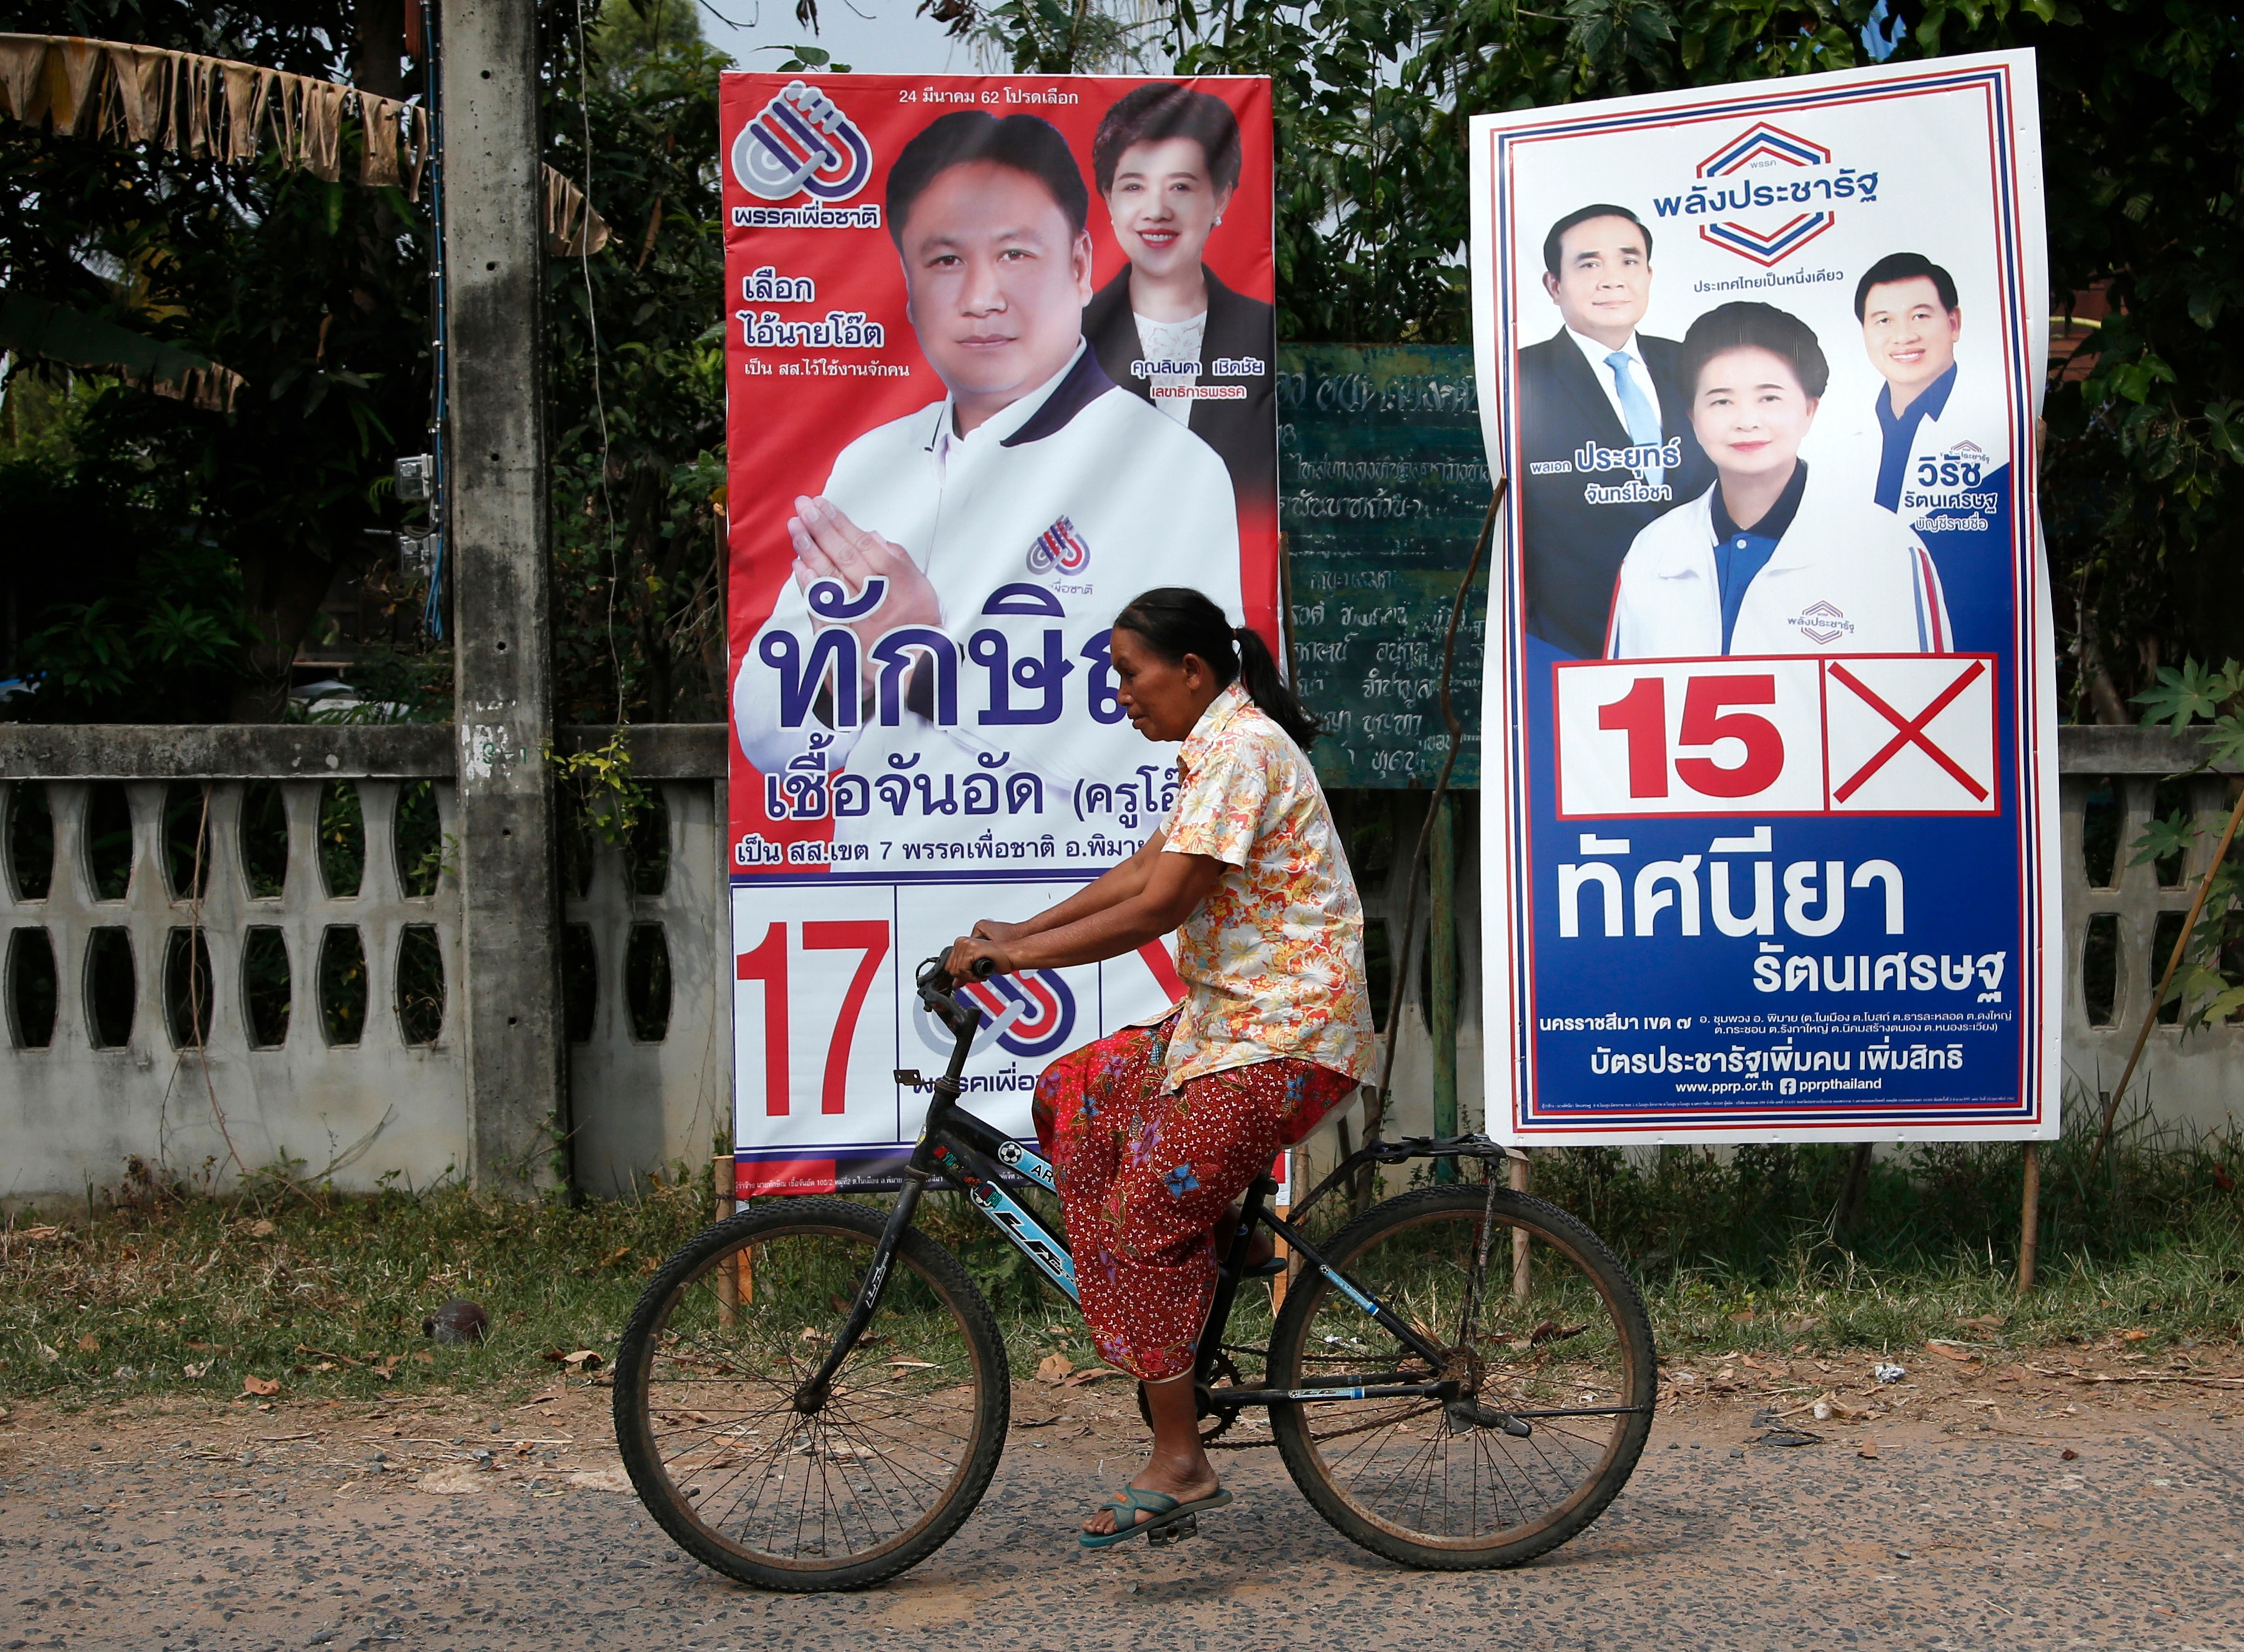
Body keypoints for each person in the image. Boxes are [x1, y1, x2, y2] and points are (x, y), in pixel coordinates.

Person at [944, 587, 1373, 1547]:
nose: (1120, 695)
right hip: (1230, 1025)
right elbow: (1140, 873)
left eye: (1129, 675)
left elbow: (1159, 906)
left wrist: (1012, 959)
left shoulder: (1243, 750)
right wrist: (1018, 928)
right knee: (1073, 1092)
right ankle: (1211, 1260)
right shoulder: (1215, 751)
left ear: (1189, 671)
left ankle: (1180, 1460)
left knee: (1140, 1218)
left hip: (1285, 1037)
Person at [732, 111, 1243, 836]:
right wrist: (842, 665)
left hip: (1082, 896)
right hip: (888, 891)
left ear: (1079, 264)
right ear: (906, 284)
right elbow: (767, 734)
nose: (981, 298)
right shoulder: (870, 463)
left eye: (1014, 255)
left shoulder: (1169, 469)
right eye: (944, 261)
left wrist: (923, 667)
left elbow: (1203, 738)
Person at [1606, 301, 1952, 658]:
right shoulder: (1652, 551)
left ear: (1809, 410)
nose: (1747, 421)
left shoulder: (1887, 548)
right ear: (1693, 418)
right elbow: (1618, 698)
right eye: (1722, 402)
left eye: (1769, 397)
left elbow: (1930, 702)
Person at [1516, 203, 1710, 658]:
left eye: (1628, 261)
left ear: (1647, 274)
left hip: (1701, 634)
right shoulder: (1517, 377)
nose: (1612, 279)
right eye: (1589, 264)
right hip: (1571, 643)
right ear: (1554, 285)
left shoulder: (1696, 365)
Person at [1081, 85, 1276, 514]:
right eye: (1133, 187)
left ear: (1220, 197)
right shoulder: (1066, 338)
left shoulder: (1261, 332)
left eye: (1181, 188)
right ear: (1107, 197)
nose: (1156, 210)